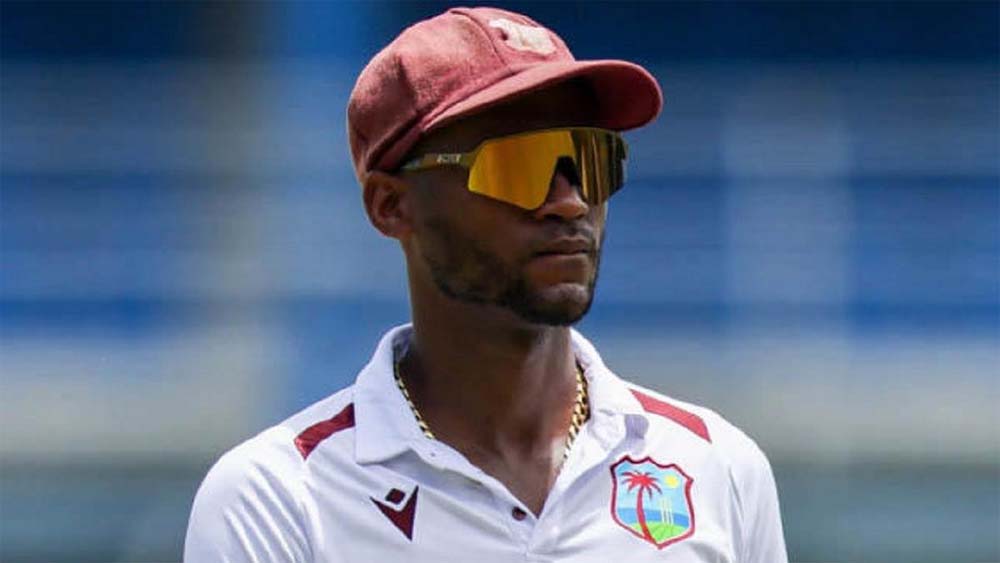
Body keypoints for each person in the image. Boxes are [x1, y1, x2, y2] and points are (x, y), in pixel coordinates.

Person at [184, 6, 787, 562]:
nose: (569, 201)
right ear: (391, 206)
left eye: (589, 159)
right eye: (518, 167)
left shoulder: (716, 468)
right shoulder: (279, 499)